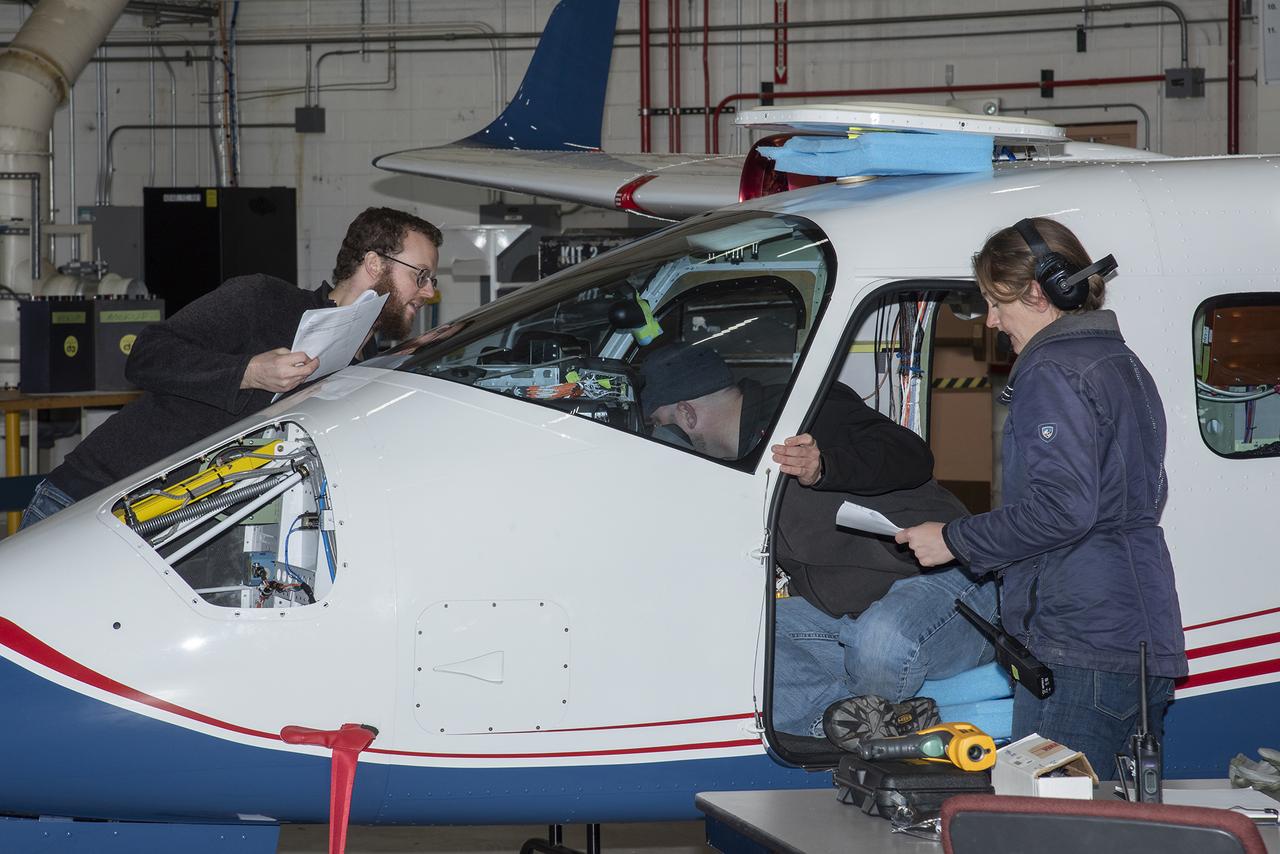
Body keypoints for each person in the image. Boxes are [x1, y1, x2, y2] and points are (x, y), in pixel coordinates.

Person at [896, 217, 1187, 775]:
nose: (991, 320)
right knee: (1115, 825)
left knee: (1051, 822)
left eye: (996, 302)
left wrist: (953, 539)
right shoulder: (1121, 364)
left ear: (1038, 290)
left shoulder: (1052, 370)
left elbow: (1062, 508)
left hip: (1081, 643)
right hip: (1137, 638)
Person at [639, 342, 997, 738]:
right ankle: (858, 729)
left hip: (945, 584)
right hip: (846, 613)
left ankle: (868, 726)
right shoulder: (726, 475)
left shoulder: (804, 409)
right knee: (727, 640)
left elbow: (911, 453)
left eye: (660, 424)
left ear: (687, 414)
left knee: (879, 642)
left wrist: (825, 467)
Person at [20, 206, 442, 528]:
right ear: (373, 264)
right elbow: (147, 354)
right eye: (421, 275)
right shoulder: (262, 299)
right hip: (87, 506)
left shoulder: (356, 361)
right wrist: (249, 372)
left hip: (175, 528)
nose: (428, 292)